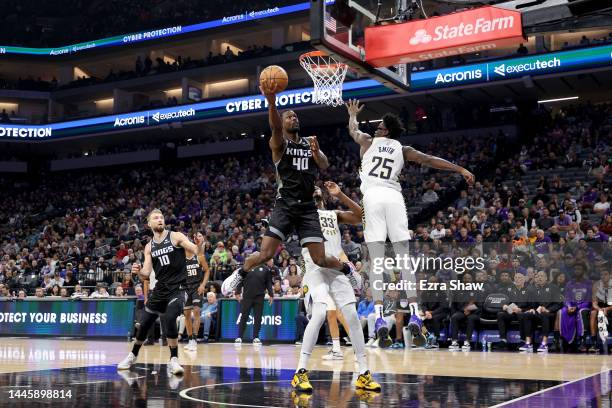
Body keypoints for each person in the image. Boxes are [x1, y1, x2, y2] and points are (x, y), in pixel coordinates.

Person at [345, 99, 475, 346]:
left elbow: (353, 130)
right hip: (394, 198)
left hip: (373, 198)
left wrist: (352, 115)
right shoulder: (403, 149)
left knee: (376, 259)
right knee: (404, 259)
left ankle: (380, 317)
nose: (376, 130)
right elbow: (430, 159)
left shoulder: (368, 142)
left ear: (388, 131)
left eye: (380, 127)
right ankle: (415, 313)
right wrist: (460, 169)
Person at [222, 80, 354, 296]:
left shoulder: (309, 142)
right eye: (289, 116)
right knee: (265, 254)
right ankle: (241, 273)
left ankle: (348, 270)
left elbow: (324, 164)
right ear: (283, 123)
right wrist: (271, 102)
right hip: (285, 205)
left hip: (308, 209)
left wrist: (317, 151)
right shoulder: (279, 145)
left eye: (296, 116)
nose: (294, 118)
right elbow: (273, 127)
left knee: (320, 259)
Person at [293, 181, 380, 394]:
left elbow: (362, 217)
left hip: (337, 270)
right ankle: (300, 372)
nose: (314, 189)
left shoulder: (333, 214)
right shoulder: (301, 214)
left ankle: (364, 373)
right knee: (321, 313)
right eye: (309, 189)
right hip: (315, 269)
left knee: (351, 314)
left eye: (316, 189)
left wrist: (340, 194)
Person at [117, 209, 204, 375]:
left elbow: (195, 250)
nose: (160, 219)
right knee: (144, 324)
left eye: (161, 217)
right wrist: (138, 271)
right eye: (156, 218)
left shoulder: (175, 236)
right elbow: (146, 274)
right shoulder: (149, 247)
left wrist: (200, 245)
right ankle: (133, 355)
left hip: (179, 288)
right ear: (149, 224)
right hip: (160, 289)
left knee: (170, 317)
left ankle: (174, 360)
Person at [181, 232, 210, 350]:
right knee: (187, 314)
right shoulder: (180, 258)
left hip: (197, 287)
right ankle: (190, 339)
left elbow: (207, 270)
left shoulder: (199, 256)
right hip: (185, 288)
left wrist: (203, 285)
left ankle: (195, 339)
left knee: (197, 311)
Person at [235, 262, 274, 345]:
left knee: (258, 318)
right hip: (247, 297)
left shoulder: (265, 269)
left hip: (259, 297)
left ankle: (256, 337)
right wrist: (237, 292)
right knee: (244, 317)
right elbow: (240, 281)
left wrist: (271, 294)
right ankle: (239, 337)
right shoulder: (245, 267)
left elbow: (268, 283)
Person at [589, 269, 611, 353]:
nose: (603, 276)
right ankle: (594, 344)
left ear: (610, 275)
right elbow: (594, 303)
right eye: (601, 274)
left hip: (610, 308)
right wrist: (600, 310)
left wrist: (607, 309)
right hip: (600, 309)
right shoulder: (596, 285)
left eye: (605, 274)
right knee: (593, 313)